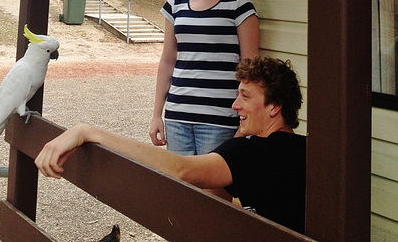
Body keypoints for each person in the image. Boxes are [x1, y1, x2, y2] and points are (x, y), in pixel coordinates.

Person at [35, 56, 306, 234]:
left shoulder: (251, 152)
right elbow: (217, 195)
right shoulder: (304, 149)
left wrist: (88, 131)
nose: (235, 105)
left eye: (245, 97)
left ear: (274, 107)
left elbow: (180, 170)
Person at [149, 0, 260, 156]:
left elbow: (250, 66)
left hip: (220, 119)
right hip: (177, 116)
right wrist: (156, 114)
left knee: (212, 191)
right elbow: (168, 60)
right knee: (180, 189)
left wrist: (246, 118)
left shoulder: (238, 3)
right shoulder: (175, 2)